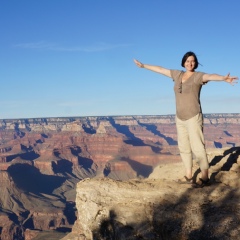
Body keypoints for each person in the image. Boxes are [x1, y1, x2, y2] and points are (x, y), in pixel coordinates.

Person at [134, 51, 238, 188]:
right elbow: (161, 69)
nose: (190, 63)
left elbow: (210, 76)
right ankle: (189, 175)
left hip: (193, 117)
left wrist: (223, 79)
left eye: (193, 61)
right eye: (188, 61)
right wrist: (144, 66)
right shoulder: (177, 75)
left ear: (195, 63)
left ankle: (205, 177)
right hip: (180, 117)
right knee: (183, 147)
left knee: (198, 147)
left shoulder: (198, 76)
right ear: (183, 62)